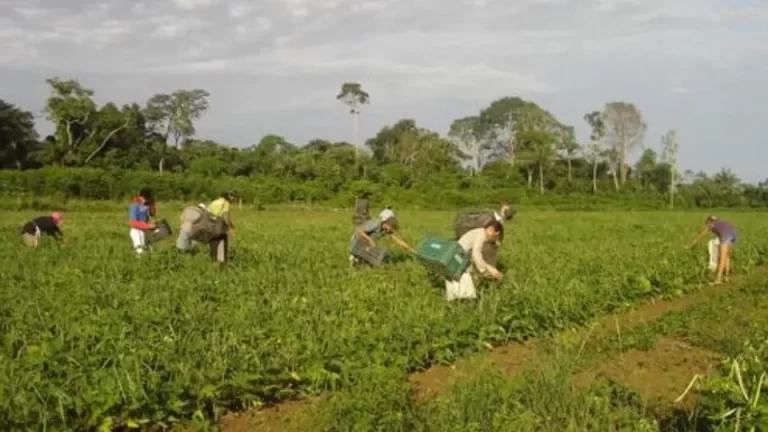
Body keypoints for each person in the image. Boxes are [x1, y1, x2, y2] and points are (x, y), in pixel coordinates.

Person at [446, 220, 504, 301]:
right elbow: (476, 254)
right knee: (466, 278)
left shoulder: (482, 233)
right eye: (496, 237)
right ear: (496, 233)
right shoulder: (482, 235)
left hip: (457, 255)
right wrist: (487, 268)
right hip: (459, 257)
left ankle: (458, 298)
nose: (494, 240)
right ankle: (464, 298)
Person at [688, 216, 738, 285]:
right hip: (734, 234)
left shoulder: (711, 225)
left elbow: (701, 235)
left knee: (722, 257)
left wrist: (692, 244)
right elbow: (733, 225)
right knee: (727, 255)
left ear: (709, 221)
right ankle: (726, 276)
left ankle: (718, 279)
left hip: (726, 235)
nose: (706, 225)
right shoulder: (721, 222)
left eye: (706, 223)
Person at [349, 216, 414, 266]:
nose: (392, 230)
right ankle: (354, 257)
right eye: (392, 228)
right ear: (387, 224)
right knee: (365, 258)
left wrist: (410, 249)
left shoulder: (386, 230)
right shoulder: (376, 224)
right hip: (357, 240)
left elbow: (398, 240)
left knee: (375, 258)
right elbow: (359, 230)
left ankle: (359, 260)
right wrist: (370, 240)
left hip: (366, 243)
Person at [207, 191, 236, 263]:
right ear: (228, 196)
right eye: (232, 196)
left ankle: (213, 265)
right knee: (222, 250)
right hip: (220, 229)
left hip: (211, 228)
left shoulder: (213, 202)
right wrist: (231, 227)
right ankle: (221, 269)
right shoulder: (225, 203)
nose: (233, 198)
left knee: (214, 248)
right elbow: (225, 217)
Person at [128, 188, 156, 255]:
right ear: (140, 197)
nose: (144, 201)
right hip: (136, 230)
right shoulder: (134, 205)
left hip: (144, 230)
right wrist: (148, 226)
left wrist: (151, 205)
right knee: (140, 252)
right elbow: (132, 222)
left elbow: (153, 214)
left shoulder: (146, 205)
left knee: (148, 250)